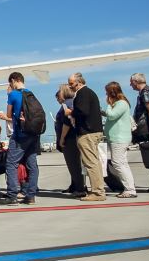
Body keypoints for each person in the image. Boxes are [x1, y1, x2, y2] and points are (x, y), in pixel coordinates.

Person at [1, 72, 40, 204]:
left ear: (14, 80)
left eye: (10, 83)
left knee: (11, 164)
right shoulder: (30, 93)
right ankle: (31, 196)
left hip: (20, 135)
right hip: (33, 134)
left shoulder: (13, 94)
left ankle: (12, 195)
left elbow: (9, 115)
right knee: (32, 165)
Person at [68, 72, 105, 202]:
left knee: (90, 162)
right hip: (93, 131)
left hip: (87, 132)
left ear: (79, 82)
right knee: (94, 161)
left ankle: (98, 192)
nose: (69, 86)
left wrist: (71, 112)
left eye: (71, 83)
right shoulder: (89, 92)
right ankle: (98, 189)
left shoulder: (83, 93)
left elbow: (83, 111)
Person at [103, 81, 137, 198]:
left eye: (107, 92)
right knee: (122, 163)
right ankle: (129, 187)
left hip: (119, 138)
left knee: (118, 163)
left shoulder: (121, 103)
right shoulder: (119, 104)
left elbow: (112, 115)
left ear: (111, 93)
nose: (106, 95)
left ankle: (130, 189)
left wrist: (109, 104)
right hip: (116, 138)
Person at [55, 84, 86, 197]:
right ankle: (75, 185)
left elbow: (67, 123)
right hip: (74, 137)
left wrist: (62, 138)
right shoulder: (72, 102)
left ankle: (80, 188)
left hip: (70, 138)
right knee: (75, 163)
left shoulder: (67, 104)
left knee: (74, 164)